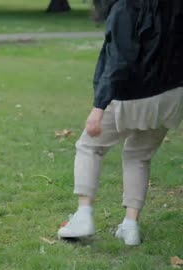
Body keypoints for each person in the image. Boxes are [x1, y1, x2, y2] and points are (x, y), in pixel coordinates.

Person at [57, 0, 183, 245]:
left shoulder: (126, 7)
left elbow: (119, 61)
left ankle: (83, 215)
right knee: (139, 155)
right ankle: (130, 226)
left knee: (89, 146)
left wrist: (98, 107)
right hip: (172, 95)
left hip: (133, 94)